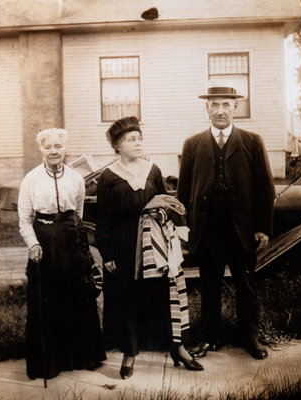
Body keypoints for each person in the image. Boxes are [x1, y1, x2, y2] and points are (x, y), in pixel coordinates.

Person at [96, 116, 203, 379]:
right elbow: (102, 219)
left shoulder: (152, 170)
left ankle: (177, 347)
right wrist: (107, 253)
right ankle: (130, 353)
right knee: (128, 299)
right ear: (118, 146)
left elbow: (168, 202)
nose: (138, 142)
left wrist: (176, 229)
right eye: (132, 139)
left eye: (140, 138)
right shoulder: (108, 177)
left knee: (165, 295)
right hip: (123, 247)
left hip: (154, 244)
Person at [177, 87, 275, 360]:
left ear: (235, 108)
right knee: (210, 286)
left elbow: (265, 188)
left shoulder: (252, 141)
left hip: (241, 230)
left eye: (226, 105)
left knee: (246, 285)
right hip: (207, 230)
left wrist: (263, 227)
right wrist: (183, 225)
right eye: (215, 105)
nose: (220, 110)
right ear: (206, 109)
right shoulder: (193, 144)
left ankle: (249, 338)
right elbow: (182, 192)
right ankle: (210, 338)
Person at [18, 128, 106, 381]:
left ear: (65, 149)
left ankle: (83, 357)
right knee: (48, 300)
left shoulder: (76, 178)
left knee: (79, 296)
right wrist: (33, 244)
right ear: (42, 149)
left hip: (71, 238)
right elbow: (24, 220)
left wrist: (74, 234)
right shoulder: (31, 179)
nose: (54, 151)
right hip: (45, 240)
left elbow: (78, 211)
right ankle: (50, 363)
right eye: (49, 147)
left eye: (58, 146)